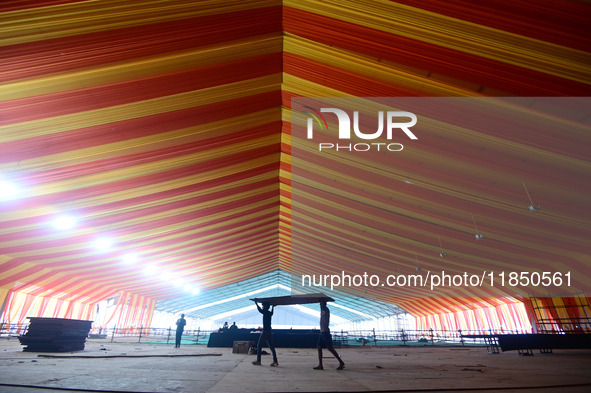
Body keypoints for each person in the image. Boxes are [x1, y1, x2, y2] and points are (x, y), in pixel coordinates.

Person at [314, 300, 345, 370]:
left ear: (324, 304)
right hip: (322, 332)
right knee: (319, 347)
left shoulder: (326, 310)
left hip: (325, 332)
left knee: (330, 348)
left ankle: (341, 362)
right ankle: (320, 364)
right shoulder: (322, 310)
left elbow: (326, 320)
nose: (320, 305)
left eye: (321, 303)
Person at [252, 301, 278, 367]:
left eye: (263, 306)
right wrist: (273, 307)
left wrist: (256, 303)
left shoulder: (265, 312)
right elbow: (272, 312)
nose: (262, 307)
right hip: (269, 331)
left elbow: (259, 310)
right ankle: (275, 361)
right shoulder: (269, 313)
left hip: (265, 331)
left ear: (266, 307)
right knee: (271, 347)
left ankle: (258, 361)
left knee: (259, 345)